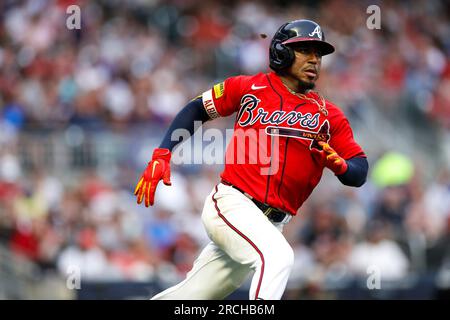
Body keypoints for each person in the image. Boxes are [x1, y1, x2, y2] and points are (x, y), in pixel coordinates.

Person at [134, 19, 368, 300]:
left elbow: (360, 170)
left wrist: (342, 167)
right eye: (305, 49)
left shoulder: (330, 116)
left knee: (189, 297)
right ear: (281, 52)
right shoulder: (247, 88)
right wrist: (163, 152)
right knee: (278, 257)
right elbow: (196, 109)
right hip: (234, 203)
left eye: (318, 53)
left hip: (272, 223)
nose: (314, 59)